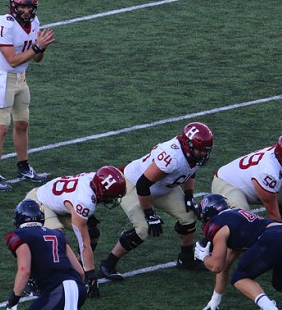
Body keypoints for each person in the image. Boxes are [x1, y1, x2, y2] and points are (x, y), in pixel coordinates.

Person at [99, 122, 214, 280]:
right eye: (200, 150)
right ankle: (108, 263)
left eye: (205, 151)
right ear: (188, 145)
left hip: (162, 187)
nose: (202, 154)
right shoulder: (172, 157)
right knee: (143, 229)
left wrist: (188, 194)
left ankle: (186, 259)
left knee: (189, 217)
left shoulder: (190, 154)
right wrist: (149, 213)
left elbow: (190, 171)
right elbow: (143, 184)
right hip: (132, 185)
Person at [0, 0, 55, 192]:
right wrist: (36, 47)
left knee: (23, 124)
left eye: (29, 7)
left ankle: (23, 166)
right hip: (3, 78)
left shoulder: (35, 23)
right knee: (2, 127)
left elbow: (37, 59)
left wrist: (41, 48)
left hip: (21, 78)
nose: (26, 11)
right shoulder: (2, 24)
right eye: (22, 7)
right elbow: (12, 60)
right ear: (13, 7)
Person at [24, 165, 127, 297]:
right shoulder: (84, 200)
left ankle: (76, 267)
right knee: (56, 238)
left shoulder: (94, 180)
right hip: (38, 202)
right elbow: (83, 243)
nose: (112, 199)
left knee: (92, 233)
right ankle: (32, 279)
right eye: (111, 196)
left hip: (59, 204)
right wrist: (91, 275)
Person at [195, 193, 281, 310]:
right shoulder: (235, 217)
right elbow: (224, 266)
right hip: (277, 230)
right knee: (279, 283)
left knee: (240, 278)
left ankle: (270, 308)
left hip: (271, 238)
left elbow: (216, 266)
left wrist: (203, 256)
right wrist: (215, 300)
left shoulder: (218, 224)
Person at [5, 199, 87, 310]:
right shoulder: (58, 234)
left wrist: (13, 299)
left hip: (58, 290)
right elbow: (80, 272)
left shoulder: (19, 235)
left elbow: (24, 270)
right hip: (78, 288)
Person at [211, 136, 282, 219]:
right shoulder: (269, 173)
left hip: (255, 181)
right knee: (242, 218)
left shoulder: (277, 156)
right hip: (226, 183)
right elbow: (274, 215)